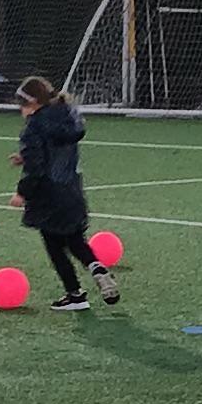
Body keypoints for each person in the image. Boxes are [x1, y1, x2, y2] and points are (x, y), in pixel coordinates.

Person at [13, 75, 120, 310]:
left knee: (54, 246)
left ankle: (75, 294)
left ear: (32, 103)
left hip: (48, 196)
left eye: (21, 104)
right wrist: (25, 156)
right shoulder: (65, 117)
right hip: (71, 190)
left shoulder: (34, 127)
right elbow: (55, 151)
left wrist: (22, 192)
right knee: (75, 239)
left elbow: (36, 168)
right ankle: (96, 267)